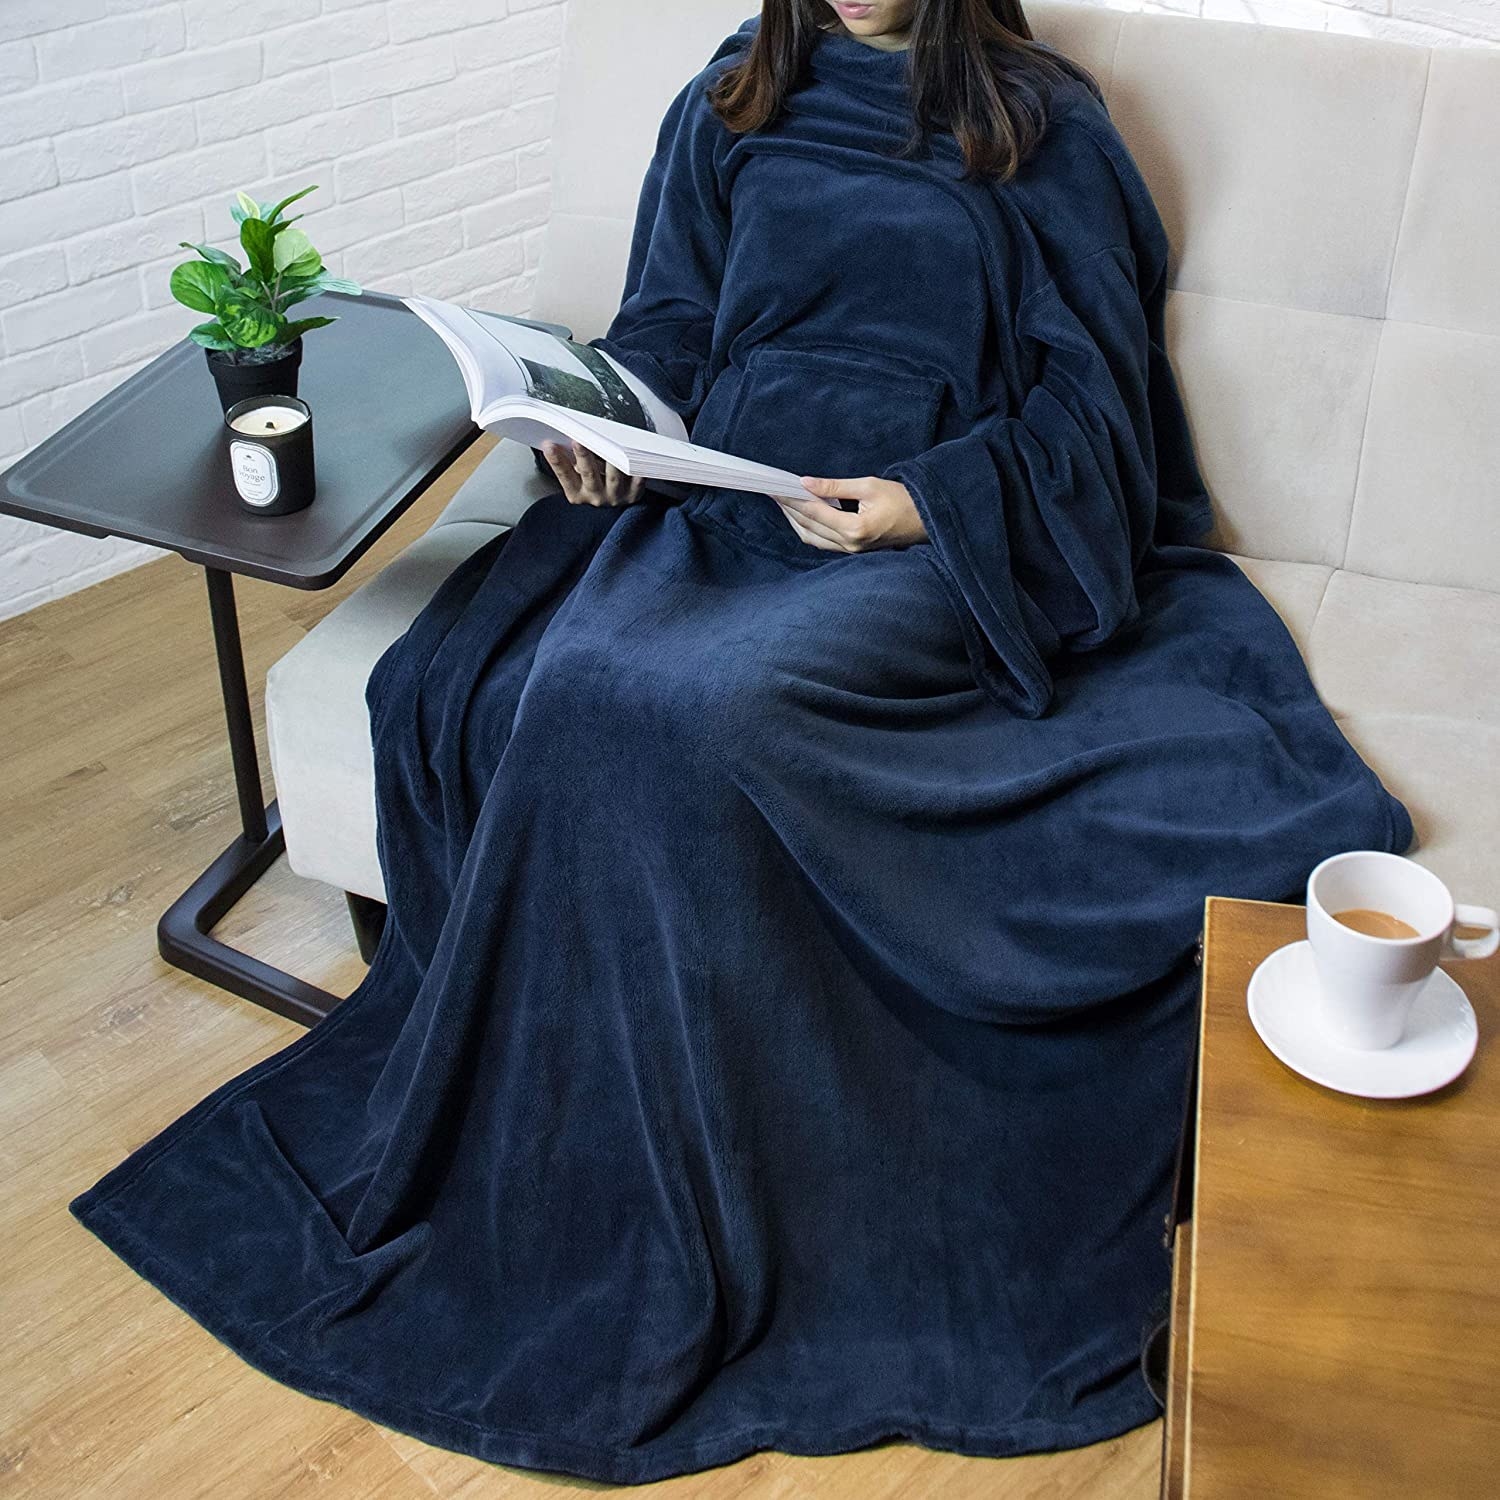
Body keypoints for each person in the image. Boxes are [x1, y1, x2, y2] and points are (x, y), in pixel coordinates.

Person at [72, 1, 1412, 1486]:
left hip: (922, 534)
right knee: (570, 687)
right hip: (720, 497)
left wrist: (925, 501)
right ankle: (598, 1177)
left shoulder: (1048, 127)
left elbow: (1094, 418)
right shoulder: (730, 102)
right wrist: (605, 427)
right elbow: (667, 330)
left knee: (722, 706)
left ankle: (766, 1188)